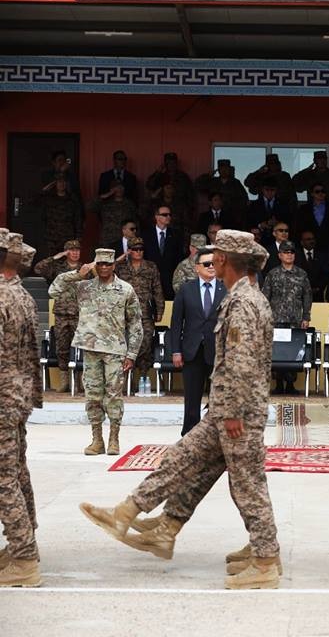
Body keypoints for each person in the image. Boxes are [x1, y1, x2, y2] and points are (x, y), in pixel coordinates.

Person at [79, 230, 282, 590]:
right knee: (186, 460)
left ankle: (266, 559)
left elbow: (241, 361)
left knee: (247, 485)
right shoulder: (245, 296)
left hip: (237, 412)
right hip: (228, 408)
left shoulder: (243, 301)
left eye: (216, 255)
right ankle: (150, 521)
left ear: (224, 260)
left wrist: (232, 412)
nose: (213, 260)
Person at [50, 249, 142, 455]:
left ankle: (114, 438)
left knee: (114, 395)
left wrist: (132, 354)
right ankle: (97, 439)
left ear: (114, 265)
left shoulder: (125, 289)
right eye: (100, 264)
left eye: (108, 264)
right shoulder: (83, 287)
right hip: (91, 349)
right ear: (94, 265)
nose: (104, 267)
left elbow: (136, 324)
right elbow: (54, 290)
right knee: (92, 395)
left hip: (115, 351)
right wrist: (77, 274)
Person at [0, 230, 44, 587]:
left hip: (2, 397)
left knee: (2, 478)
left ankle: (24, 557)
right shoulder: (22, 295)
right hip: (17, 395)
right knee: (16, 471)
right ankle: (25, 541)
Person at [169, 247, 225, 435]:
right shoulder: (186, 289)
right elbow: (176, 323)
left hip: (218, 352)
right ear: (197, 267)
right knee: (192, 397)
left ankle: (215, 435)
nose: (211, 267)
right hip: (192, 351)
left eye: (214, 263)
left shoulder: (226, 289)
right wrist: (176, 351)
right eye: (207, 264)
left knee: (219, 397)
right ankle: (189, 435)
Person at [261, 241, 313, 395]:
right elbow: (265, 297)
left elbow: (307, 297)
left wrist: (306, 317)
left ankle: (290, 384)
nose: (289, 255)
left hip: (295, 321)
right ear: (280, 255)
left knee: (293, 352)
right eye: (286, 252)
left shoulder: (302, 274)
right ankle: (278, 383)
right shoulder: (272, 274)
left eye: (291, 252)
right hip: (276, 321)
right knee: (277, 352)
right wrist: (265, 318)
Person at [115, 237, 165, 390]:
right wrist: (120, 258)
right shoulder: (121, 267)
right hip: (125, 313)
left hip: (145, 313)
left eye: (141, 249)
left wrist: (160, 310)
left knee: (145, 344)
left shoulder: (150, 267)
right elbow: (105, 271)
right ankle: (126, 380)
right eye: (135, 249)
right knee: (124, 345)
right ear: (129, 250)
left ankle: (142, 377)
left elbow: (157, 289)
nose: (138, 252)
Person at [36, 240, 84, 391]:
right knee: (61, 348)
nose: (75, 252)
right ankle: (65, 381)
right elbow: (38, 269)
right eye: (71, 250)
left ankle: (79, 381)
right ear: (66, 252)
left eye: (77, 250)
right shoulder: (58, 268)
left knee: (81, 347)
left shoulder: (84, 269)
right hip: (61, 313)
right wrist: (55, 257)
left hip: (79, 313)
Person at [143, 205, 185, 300]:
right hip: (151, 279)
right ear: (157, 217)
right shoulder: (146, 235)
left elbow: (179, 256)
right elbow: (144, 256)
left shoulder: (176, 234)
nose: (168, 217)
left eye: (170, 215)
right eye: (165, 215)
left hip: (170, 279)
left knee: (169, 304)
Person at [39, 174, 84, 257]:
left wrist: (78, 236)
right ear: (55, 183)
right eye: (59, 182)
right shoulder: (49, 198)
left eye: (64, 182)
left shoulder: (72, 199)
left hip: (67, 236)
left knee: (67, 260)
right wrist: (47, 188)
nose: (62, 184)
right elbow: (35, 199)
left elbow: (78, 218)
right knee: (52, 260)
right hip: (51, 236)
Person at [195, 159, 248, 228]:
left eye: (226, 168)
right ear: (218, 170)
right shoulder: (213, 181)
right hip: (214, 216)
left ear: (229, 169)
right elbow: (197, 185)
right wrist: (208, 176)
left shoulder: (235, 183)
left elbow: (244, 199)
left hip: (231, 217)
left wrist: (238, 213)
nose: (224, 170)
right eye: (221, 168)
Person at [89, 178, 138, 251]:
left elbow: (135, 222)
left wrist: (135, 238)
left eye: (121, 187)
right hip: (107, 241)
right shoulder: (104, 203)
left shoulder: (129, 204)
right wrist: (105, 195)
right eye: (116, 187)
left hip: (125, 241)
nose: (119, 189)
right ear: (111, 189)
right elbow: (89, 207)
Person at [145, 153, 194, 220]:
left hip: (180, 209)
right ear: (165, 164)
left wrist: (190, 209)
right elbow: (149, 185)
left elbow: (190, 195)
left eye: (173, 162)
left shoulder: (183, 177)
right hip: (163, 206)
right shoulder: (160, 177)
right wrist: (157, 172)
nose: (172, 165)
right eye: (169, 163)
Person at [293, 183, 329, 247]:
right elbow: (299, 227)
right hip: (309, 243)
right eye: (317, 191)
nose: (320, 193)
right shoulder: (304, 209)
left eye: (323, 191)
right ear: (312, 194)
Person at [295, 230, 327, 302]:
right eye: (308, 239)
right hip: (301, 295)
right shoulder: (296, 256)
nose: (311, 241)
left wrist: (318, 288)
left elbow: (325, 273)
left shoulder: (321, 255)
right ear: (302, 242)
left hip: (318, 294)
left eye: (313, 239)